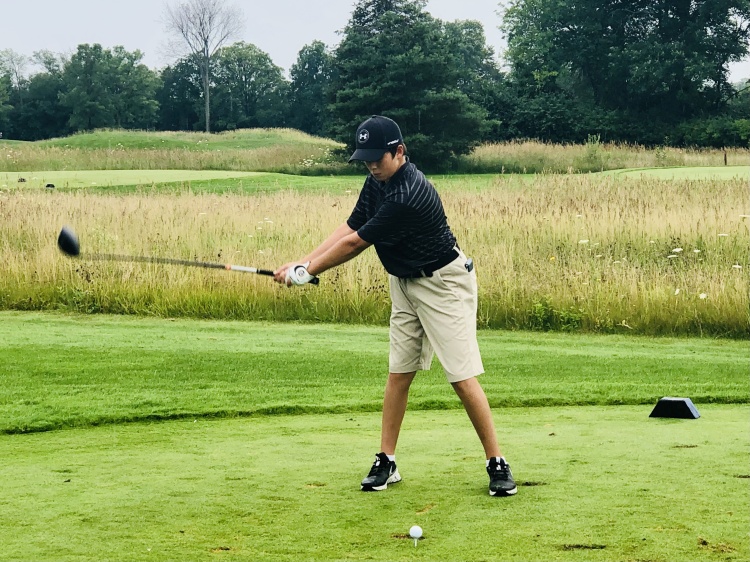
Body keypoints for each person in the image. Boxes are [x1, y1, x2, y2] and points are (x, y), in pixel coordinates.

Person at [273, 115, 516, 497]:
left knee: (461, 375)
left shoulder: (408, 194)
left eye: (377, 159)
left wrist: (307, 271)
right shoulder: (377, 181)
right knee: (399, 372)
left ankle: (496, 462)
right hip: (403, 282)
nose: (371, 166)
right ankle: (386, 460)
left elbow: (356, 243)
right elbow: (350, 226)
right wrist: (302, 262)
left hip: (443, 283)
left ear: (399, 152)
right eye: (366, 159)